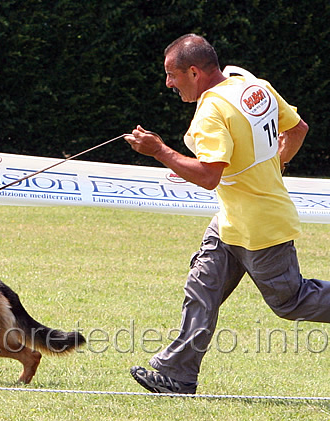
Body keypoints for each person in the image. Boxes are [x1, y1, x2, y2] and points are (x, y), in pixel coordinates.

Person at [124, 33, 326, 394]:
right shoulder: (253, 87)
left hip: (260, 225)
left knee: (291, 301)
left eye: (172, 75)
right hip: (232, 219)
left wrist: (158, 150)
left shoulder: (211, 112)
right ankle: (177, 375)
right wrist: (274, 165)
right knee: (202, 287)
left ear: (195, 72)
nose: (168, 83)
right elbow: (298, 129)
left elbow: (207, 175)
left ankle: (177, 372)